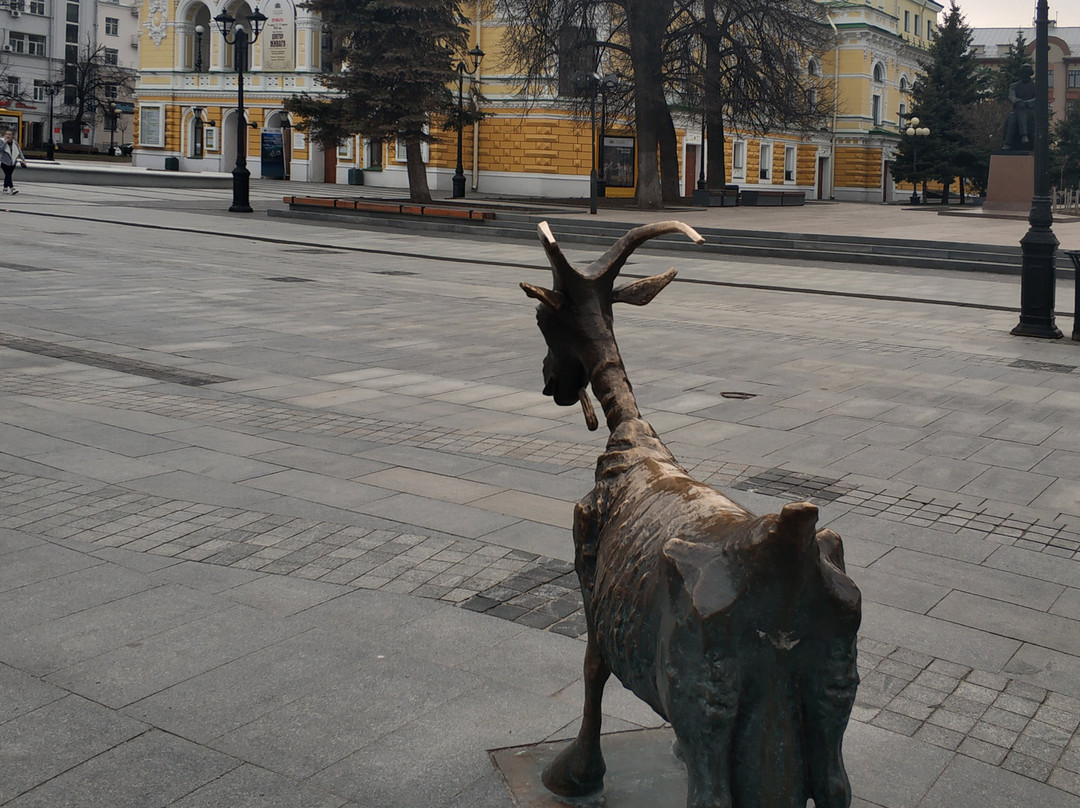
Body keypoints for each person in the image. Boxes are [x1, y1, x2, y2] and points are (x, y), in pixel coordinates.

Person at [1002, 64, 1036, 152]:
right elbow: (1011, 97)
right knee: (1013, 116)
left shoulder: (1035, 86)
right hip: (1017, 110)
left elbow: (1038, 99)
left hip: (1030, 112)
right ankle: (1024, 135)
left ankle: (1007, 143)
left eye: (1026, 73)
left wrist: (1026, 103)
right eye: (1023, 73)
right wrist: (1018, 101)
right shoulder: (1014, 86)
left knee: (1017, 113)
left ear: (1030, 74)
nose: (1024, 75)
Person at [1, 130, 27, 195]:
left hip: (13, 163)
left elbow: (19, 151)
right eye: (6, 134)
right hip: (5, 162)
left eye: (9, 134)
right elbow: (1, 149)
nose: (7, 136)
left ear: (12, 136)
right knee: (8, 175)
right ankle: (12, 188)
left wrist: (23, 159)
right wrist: (5, 143)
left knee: (8, 176)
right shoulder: (1, 141)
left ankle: (5, 188)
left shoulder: (15, 143)